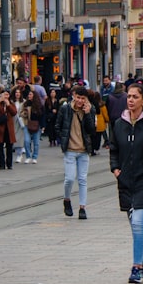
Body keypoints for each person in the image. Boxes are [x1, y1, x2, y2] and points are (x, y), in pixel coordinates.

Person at [109, 81, 143, 284]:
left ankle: (136, 268)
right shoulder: (119, 124)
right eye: (129, 97)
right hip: (126, 181)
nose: (130, 100)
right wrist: (115, 168)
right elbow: (114, 148)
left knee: (139, 222)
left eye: (135, 97)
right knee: (135, 226)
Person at [57, 85, 96, 219]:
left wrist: (87, 114)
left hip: (84, 150)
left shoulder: (90, 110)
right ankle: (67, 199)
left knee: (82, 179)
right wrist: (62, 141)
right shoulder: (65, 109)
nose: (80, 101)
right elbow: (58, 126)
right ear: (73, 96)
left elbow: (91, 130)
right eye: (78, 98)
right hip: (70, 150)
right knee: (69, 179)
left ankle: (82, 207)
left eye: (82, 98)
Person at [0, 90, 16, 169]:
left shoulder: (11, 103)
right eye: (4, 95)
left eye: (7, 95)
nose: (6, 96)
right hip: (0, 127)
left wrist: (8, 104)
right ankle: (1, 164)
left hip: (8, 128)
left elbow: (14, 112)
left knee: (9, 147)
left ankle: (9, 164)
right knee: (0, 147)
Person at [17, 87, 42, 164]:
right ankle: (28, 156)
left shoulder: (39, 105)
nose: (29, 96)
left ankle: (34, 157)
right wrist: (25, 114)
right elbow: (20, 113)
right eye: (29, 94)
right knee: (26, 141)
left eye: (31, 94)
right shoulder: (25, 104)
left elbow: (42, 115)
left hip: (37, 125)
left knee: (36, 142)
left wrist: (43, 125)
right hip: (27, 124)